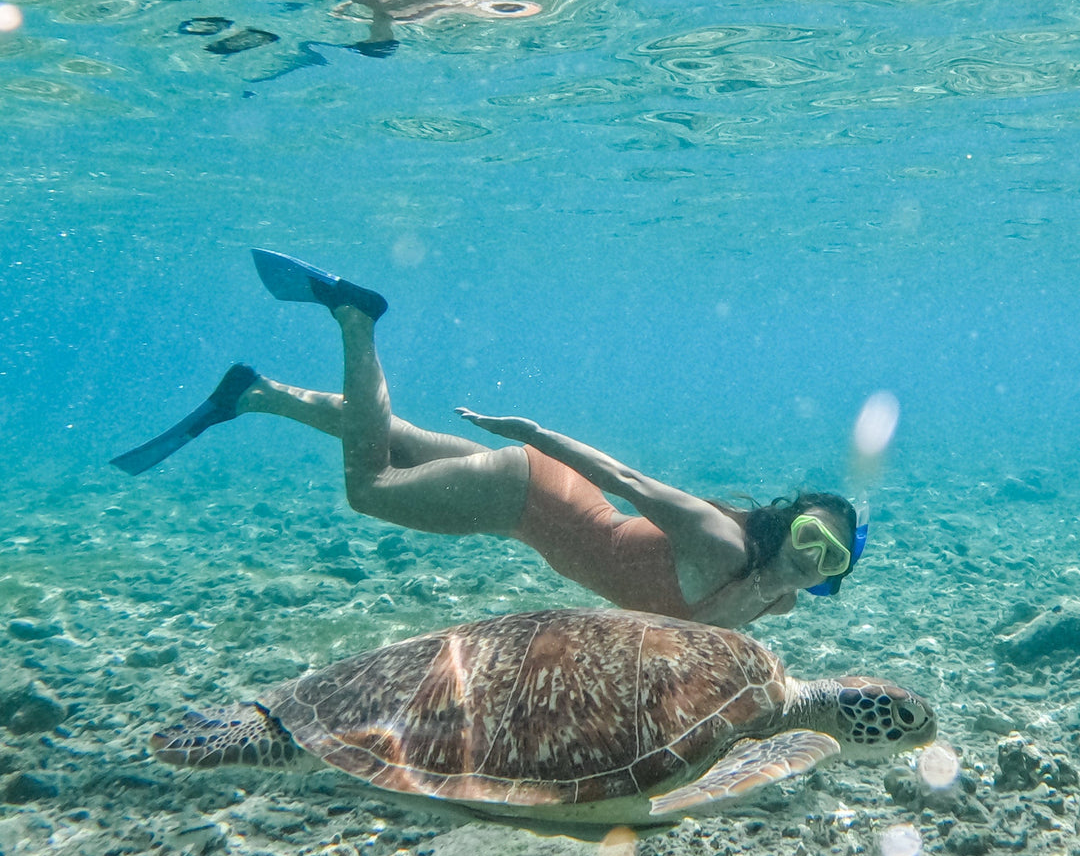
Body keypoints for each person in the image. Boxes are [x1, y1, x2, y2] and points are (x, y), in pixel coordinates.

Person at [112, 250, 867, 628]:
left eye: (829, 555)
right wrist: (532, 433)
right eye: (809, 534)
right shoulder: (724, 545)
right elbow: (625, 478)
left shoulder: (779, 605)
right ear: (785, 519)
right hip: (527, 497)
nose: (812, 556)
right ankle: (354, 318)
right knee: (369, 488)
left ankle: (257, 395)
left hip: (537, 495)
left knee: (396, 438)